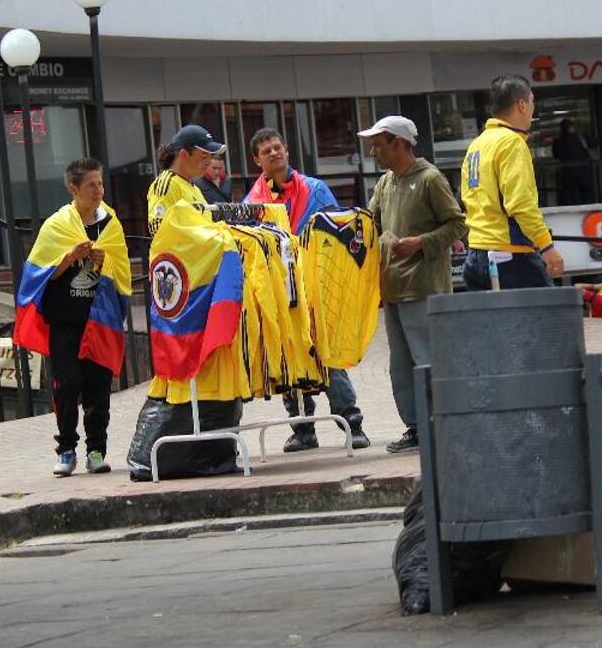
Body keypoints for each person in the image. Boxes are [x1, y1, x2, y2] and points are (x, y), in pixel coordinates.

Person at [243, 127, 369, 452]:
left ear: (286, 149)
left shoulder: (315, 190)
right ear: (257, 160)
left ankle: (351, 422)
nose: (274, 153)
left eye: (277, 147)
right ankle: (302, 428)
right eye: (266, 150)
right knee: (287, 357)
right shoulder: (253, 202)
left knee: (325, 355)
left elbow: (337, 234)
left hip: (314, 286)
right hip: (279, 291)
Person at [361, 116, 466, 454]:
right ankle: (416, 427)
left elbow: (457, 224)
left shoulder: (430, 179)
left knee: (428, 360)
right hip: (392, 288)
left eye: (378, 143)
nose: (373, 150)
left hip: (423, 287)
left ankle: (442, 424)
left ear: (399, 143)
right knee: (401, 366)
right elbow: (368, 222)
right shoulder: (385, 183)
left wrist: (421, 242)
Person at [40, 158, 119, 476]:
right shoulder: (56, 225)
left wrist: (103, 262)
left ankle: (97, 451)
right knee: (68, 385)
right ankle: (67, 450)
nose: (98, 191)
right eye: (91, 185)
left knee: (99, 388)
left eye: (100, 184)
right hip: (65, 321)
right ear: (74, 189)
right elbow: (39, 274)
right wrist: (69, 257)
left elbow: (122, 270)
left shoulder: (110, 222)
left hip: (99, 320)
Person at [461, 74, 566, 292]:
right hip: (510, 254)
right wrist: (546, 246)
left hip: (476, 253)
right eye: (532, 101)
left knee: (492, 325)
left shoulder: (478, 144)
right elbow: (520, 204)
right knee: (547, 321)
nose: (532, 108)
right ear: (521, 104)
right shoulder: (511, 143)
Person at [147, 124, 226, 237]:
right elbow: (158, 229)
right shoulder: (167, 183)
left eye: (210, 156)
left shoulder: (192, 186)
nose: (209, 161)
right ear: (184, 154)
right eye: (204, 156)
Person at [551, 118, 593, 205]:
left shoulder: (558, 142)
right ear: (572, 127)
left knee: (571, 196)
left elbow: (556, 155)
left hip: (567, 173)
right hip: (583, 171)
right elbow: (593, 143)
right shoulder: (581, 138)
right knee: (586, 193)